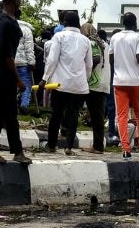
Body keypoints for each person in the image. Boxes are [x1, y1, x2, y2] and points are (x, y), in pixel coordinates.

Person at [0, 0, 31, 164]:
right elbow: (7, 55)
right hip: (5, 70)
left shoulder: (0, 18)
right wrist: (19, 80)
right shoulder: (6, 23)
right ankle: (12, 151)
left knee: (2, 111)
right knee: (6, 112)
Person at [43, 11, 92, 154]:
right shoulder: (85, 40)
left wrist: (45, 78)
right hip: (78, 85)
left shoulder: (58, 36)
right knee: (73, 115)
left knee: (56, 114)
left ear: (64, 23)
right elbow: (88, 65)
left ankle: (51, 145)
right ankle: (69, 147)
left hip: (60, 84)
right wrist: (85, 80)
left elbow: (52, 60)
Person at [111, 12, 139, 157]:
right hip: (135, 82)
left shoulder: (115, 37)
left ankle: (125, 149)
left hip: (119, 81)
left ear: (123, 23)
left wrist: (118, 69)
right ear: (135, 23)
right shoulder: (138, 37)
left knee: (122, 116)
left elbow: (111, 58)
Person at [82, 24, 109, 153]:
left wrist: (88, 72)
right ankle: (98, 145)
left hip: (94, 83)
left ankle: (97, 146)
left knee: (96, 116)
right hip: (103, 83)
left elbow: (96, 58)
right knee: (99, 116)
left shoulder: (92, 42)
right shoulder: (104, 43)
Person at [16, 19, 36, 113]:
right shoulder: (26, 30)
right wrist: (31, 62)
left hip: (9, 62)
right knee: (27, 85)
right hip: (23, 62)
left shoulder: (6, 25)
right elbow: (29, 47)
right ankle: (24, 104)